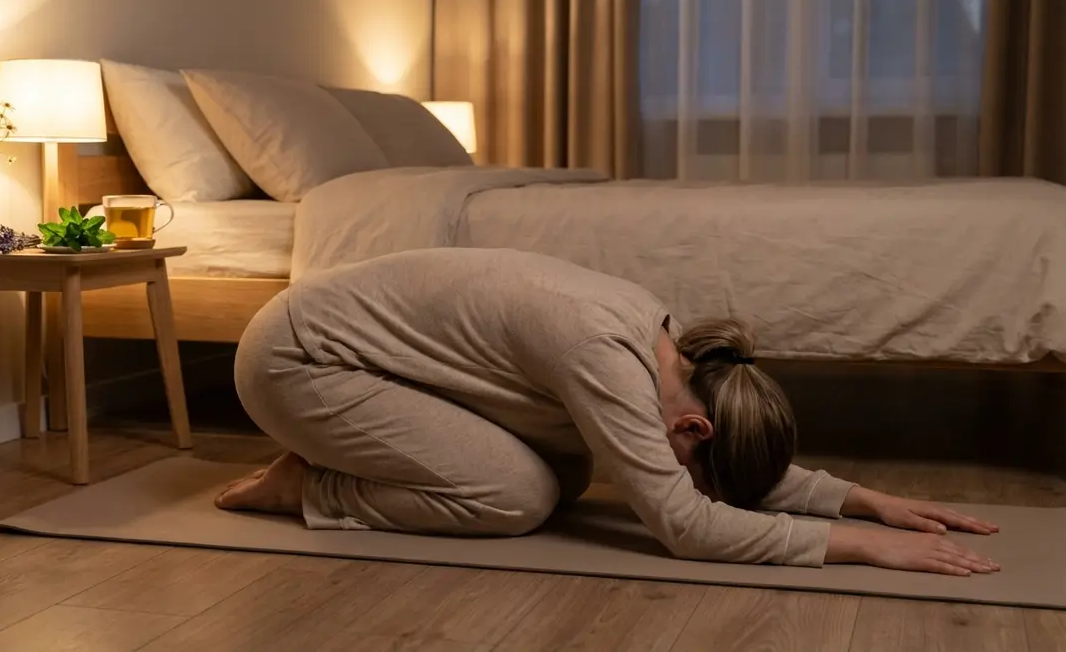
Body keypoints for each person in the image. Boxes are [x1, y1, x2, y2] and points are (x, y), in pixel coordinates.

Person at [215, 247, 1000, 575]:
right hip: (297, 363)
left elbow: (711, 473)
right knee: (517, 498)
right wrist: (857, 545)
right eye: (698, 470)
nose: (679, 475)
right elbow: (685, 528)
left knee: (563, 469)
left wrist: (862, 498)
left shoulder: (669, 359)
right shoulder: (606, 356)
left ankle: (331, 470)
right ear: (693, 430)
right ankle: (312, 488)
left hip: (373, 359)